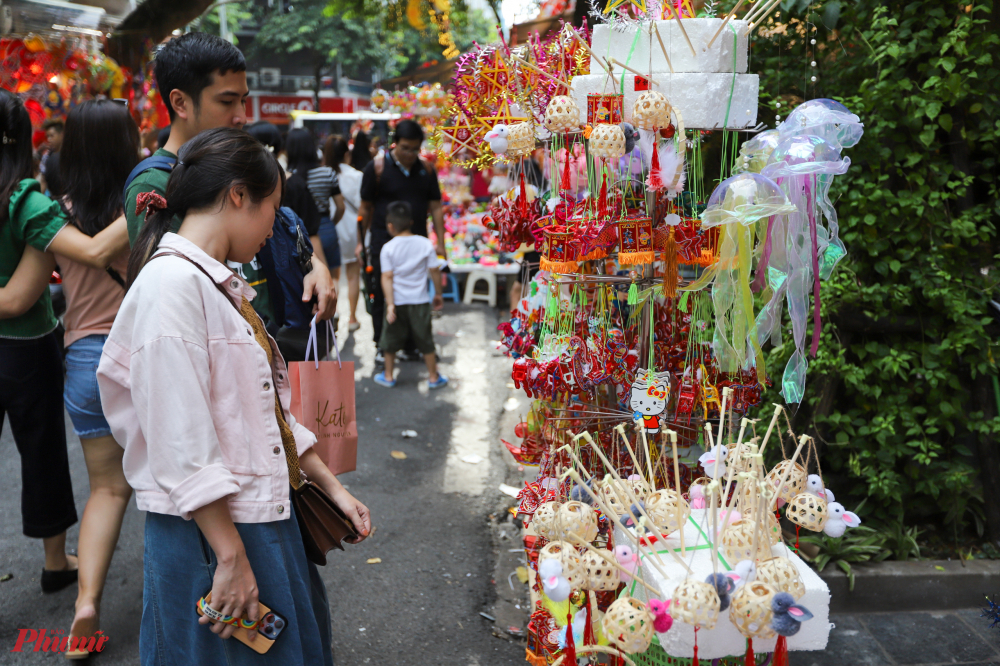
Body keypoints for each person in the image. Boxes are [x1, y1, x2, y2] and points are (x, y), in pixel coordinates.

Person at [97, 127, 370, 665]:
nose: (275, 226)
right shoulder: (172, 288)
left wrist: (331, 488)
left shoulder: (211, 284)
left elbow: (266, 414)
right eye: (273, 207)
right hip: (215, 534)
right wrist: (229, 557)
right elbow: (182, 442)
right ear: (238, 195)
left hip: (250, 523)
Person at [0, 89, 130, 597]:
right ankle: (57, 560)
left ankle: (76, 584)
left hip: (71, 354)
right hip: (26, 349)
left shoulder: (54, 205)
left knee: (98, 481)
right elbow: (19, 300)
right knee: (43, 454)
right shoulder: (25, 201)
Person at [122, 32, 336, 323]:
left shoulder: (238, 162)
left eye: (243, 101)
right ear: (180, 103)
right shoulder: (154, 185)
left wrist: (313, 264)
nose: (241, 117)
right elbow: (171, 299)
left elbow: (277, 229)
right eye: (227, 101)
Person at [45, 99, 139, 656]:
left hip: (84, 360)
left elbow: (32, 292)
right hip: (145, 356)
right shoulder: (149, 206)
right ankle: (207, 596)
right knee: (182, 481)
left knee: (107, 489)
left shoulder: (58, 212)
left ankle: (87, 604)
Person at [358, 120, 446, 364]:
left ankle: (410, 346)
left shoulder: (426, 170)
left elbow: (436, 207)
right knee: (381, 291)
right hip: (382, 242)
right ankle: (381, 344)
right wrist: (360, 241)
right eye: (405, 148)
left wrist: (441, 242)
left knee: (415, 293)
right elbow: (365, 208)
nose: (410, 154)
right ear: (395, 143)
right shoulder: (376, 168)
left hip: (417, 243)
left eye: (415, 149)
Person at [373, 201, 446, 390]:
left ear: (390, 226)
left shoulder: (388, 248)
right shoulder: (425, 244)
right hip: (420, 301)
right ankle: (433, 376)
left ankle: (388, 375)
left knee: (390, 340)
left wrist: (390, 304)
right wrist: (437, 293)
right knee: (425, 340)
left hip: (397, 302)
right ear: (411, 222)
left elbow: (387, 277)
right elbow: (434, 270)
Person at [286, 128, 343, 280]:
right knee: (332, 278)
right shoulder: (327, 173)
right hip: (326, 226)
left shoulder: (288, 178)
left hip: (298, 231)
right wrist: (331, 222)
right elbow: (340, 207)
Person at [325, 135, 362, 331]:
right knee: (353, 274)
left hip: (330, 228)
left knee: (333, 276)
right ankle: (353, 318)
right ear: (346, 154)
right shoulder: (356, 176)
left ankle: (335, 312)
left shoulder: (323, 173)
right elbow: (362, 205)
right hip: (353, 229)